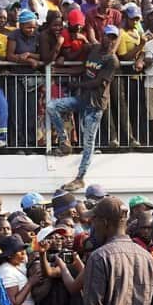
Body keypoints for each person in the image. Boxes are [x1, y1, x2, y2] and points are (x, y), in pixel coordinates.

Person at [49, 25, 120, 192]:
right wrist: (60, 70)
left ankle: (80, 178)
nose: (110, 40)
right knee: (53, 106)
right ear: (102, 36)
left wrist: (76, 83)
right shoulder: (94, 49)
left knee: (88, 142)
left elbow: (99, 82)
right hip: (83, 98)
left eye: (113, 37)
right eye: (108, 36)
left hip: (95, 103)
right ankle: (64, 142)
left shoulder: (112, 60)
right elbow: (84, 67)